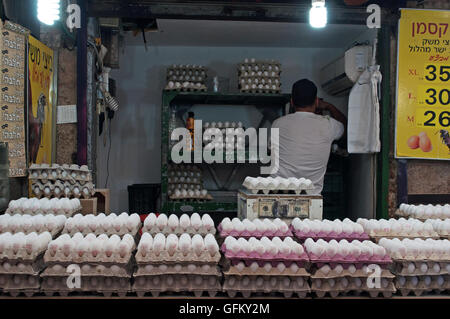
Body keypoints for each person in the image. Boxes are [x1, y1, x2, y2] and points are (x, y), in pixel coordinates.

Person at [271, 79, 347, 194]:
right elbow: (345, 127)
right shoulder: (329, 125)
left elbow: (271, 150)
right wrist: (329, 106)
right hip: (310, 198)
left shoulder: (277, 124)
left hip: (280, 195)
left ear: (292, 102)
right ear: (316, 101)